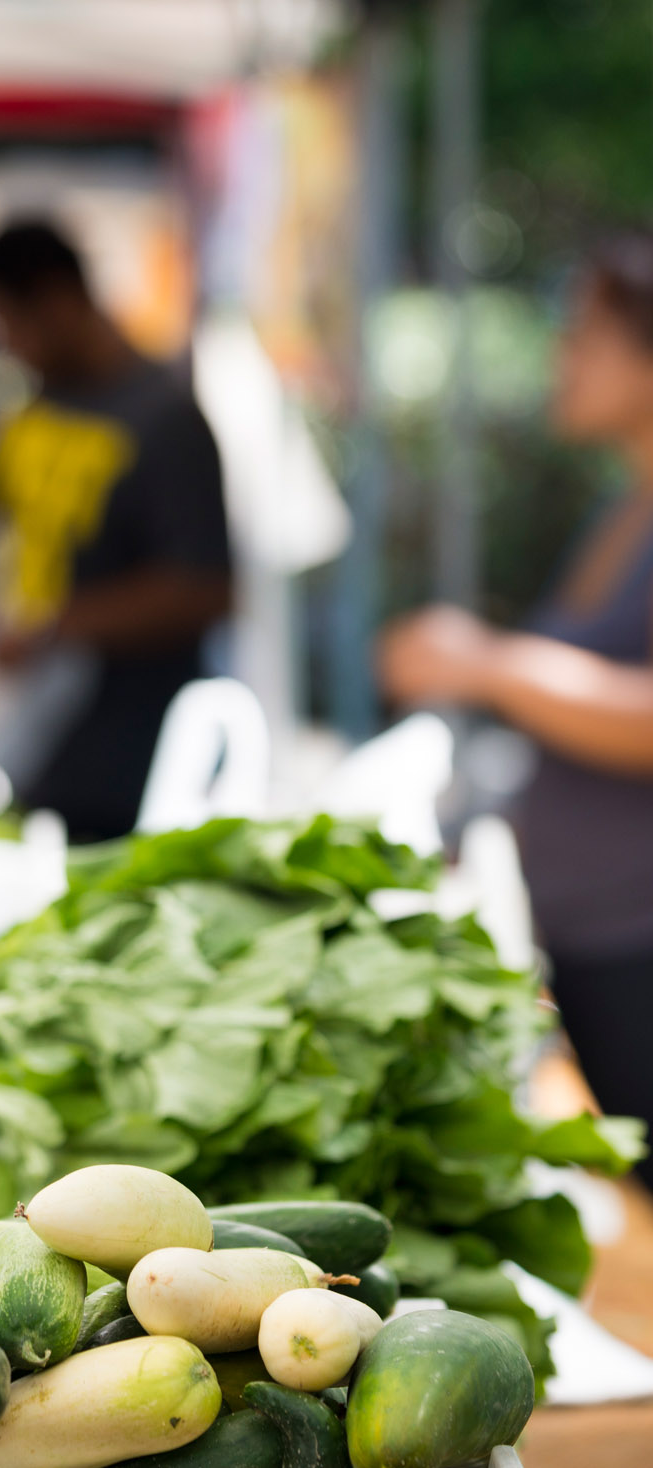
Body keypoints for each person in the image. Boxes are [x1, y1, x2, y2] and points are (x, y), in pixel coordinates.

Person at [381, 231, 653, 1183]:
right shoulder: (623, 505)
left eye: (584, 337)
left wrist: (491, 663)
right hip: (596, 939)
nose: (560, 360)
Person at [0, 219, 231, 840]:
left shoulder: (165, 420)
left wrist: (56, 626)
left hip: (132, 759)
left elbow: (205, 588)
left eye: (7, 325)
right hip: (47, 743)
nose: (5, 346)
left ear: (56, 303)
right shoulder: (37, 407)